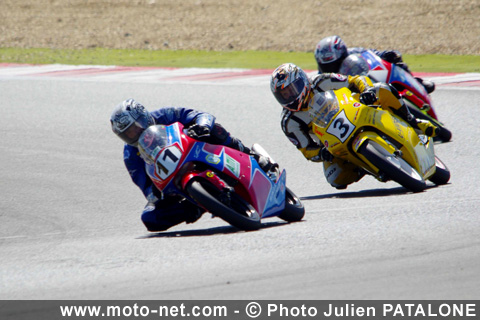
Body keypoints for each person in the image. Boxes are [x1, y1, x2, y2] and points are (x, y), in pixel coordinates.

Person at [110, 98, 274, 232]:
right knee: (149, 218)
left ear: (143, 118)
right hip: (175, 182)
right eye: (126, 135)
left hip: (196, 150)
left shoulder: (164, 115)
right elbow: (146, 188)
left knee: (215, 129)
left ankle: (249, 154)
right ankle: (196, 207)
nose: (133, 136)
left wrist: (201, 126)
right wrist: (154, 192)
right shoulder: (130, 155)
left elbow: (201, 115)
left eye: (134, 129)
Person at [270, 63, 437, 189]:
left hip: (353, 111)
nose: (290, 96)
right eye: (283, 95)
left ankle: (412, 121)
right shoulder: (289, 122)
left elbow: (355, 80)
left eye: (292, 90)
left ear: (303, 81)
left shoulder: (320, 81)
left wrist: (367, 90)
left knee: (382, 89)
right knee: (336, 179)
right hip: (332, 143)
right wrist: (321, 153)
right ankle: (363, 166)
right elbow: (306, 149)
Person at [314, 35, 435, 94]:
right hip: (350, 98)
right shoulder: (321, 77)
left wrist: (388, 55)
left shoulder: (355, 52)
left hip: (370, 80)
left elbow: (374, 54)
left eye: (333, 63)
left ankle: (417, 83)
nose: (330, 68)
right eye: (325, 65)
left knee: (396, 66)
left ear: (342, 54)